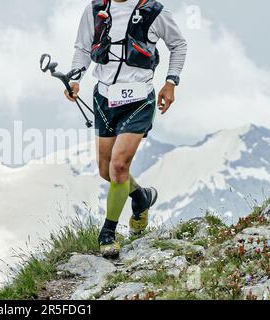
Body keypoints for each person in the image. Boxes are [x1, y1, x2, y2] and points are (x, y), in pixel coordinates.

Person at [65, 0, 187, 258]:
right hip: (104, 99)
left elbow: (178, 44)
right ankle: (141, 197)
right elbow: (82, 48)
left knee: (119, 166)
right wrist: (74, 79)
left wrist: (171, 82)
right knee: (105, 170)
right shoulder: (95, 9)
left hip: (139, 100)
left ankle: (107, 233)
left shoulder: (154, 11)